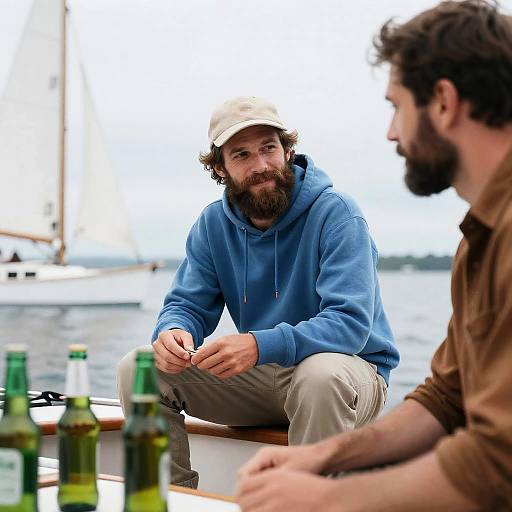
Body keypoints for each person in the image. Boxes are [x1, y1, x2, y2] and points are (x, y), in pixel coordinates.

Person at [236, 1, 512, 511]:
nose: (390, 132)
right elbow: (446, 400)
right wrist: (320, 458)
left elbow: (497, 463)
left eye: (396, 105)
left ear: (444, 103)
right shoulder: (482, 237)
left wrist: (328, 498)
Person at [117, 95, 399, 487]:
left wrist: (256, 345)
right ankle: (171, 499)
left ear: (287, 149)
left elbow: (348, 326)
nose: (261, 165)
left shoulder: (337, 213)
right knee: (141, 369)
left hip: (350, 375)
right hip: (265, 376)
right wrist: (173, 331)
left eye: (269, 148)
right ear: (220, 167)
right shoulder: (213, 225)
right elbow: (186, 304)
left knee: (319, 376)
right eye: (242, 155)